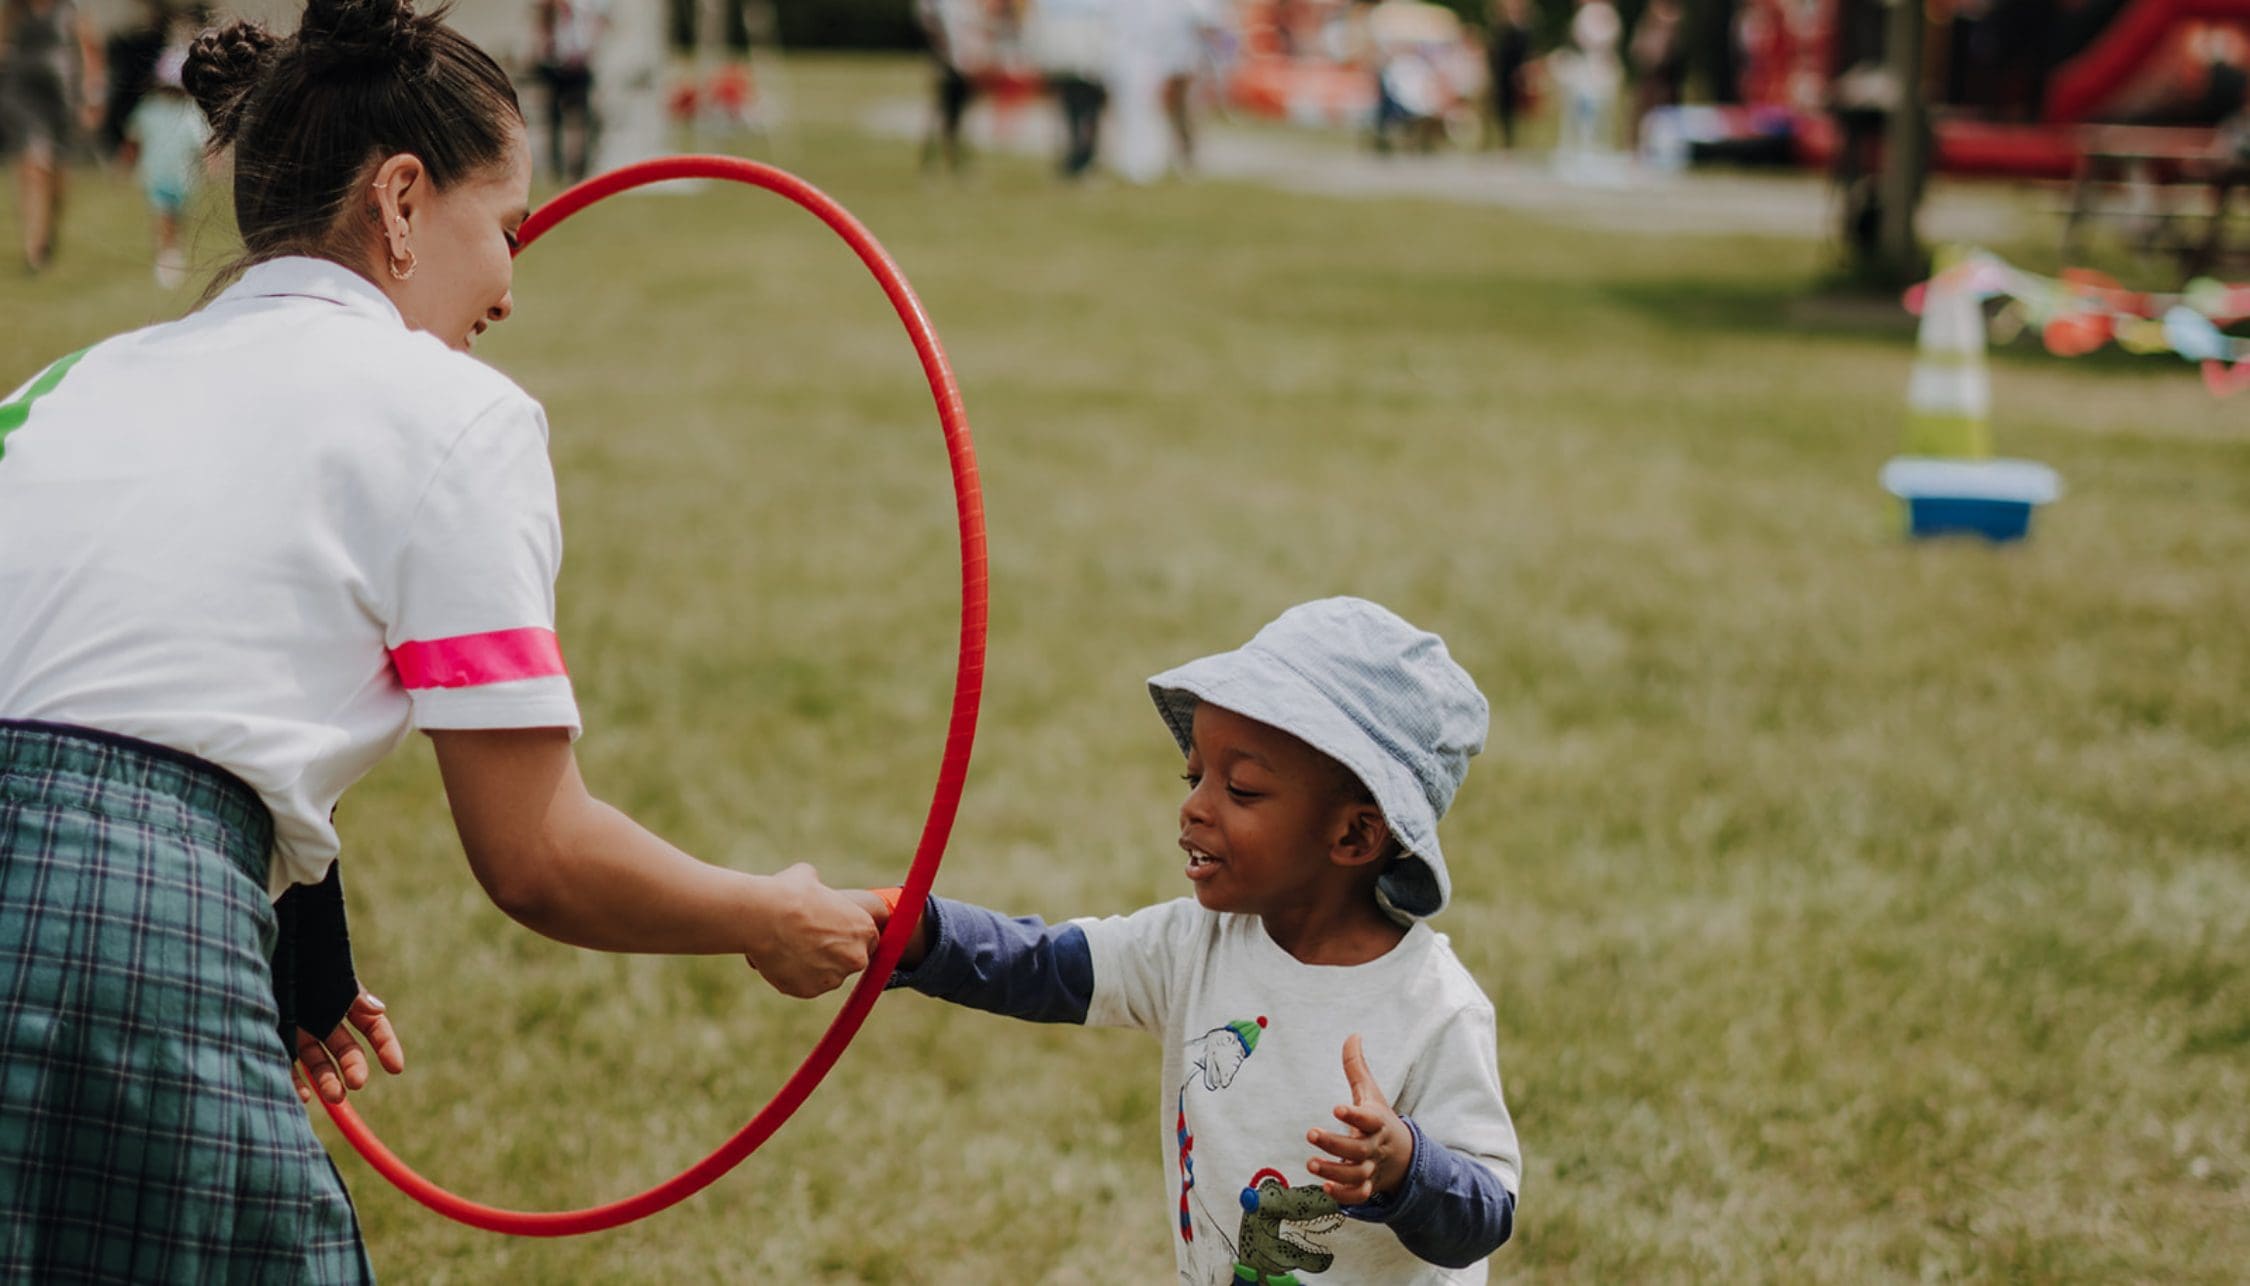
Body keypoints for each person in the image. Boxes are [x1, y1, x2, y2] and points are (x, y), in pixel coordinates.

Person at [0, 1, 879, 1279]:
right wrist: (763, 912)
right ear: (402, 201)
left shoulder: (66, 384)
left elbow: (123, 677)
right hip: (120, 940)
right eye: (507, 230)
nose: (510, 290)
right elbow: (536, 852)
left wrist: (290, 919)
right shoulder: (456, 415)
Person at [874, 598, 1520, 1283]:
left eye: (1240, 789)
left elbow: (1487, 1215)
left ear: (1354, 834)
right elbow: (1039, 966)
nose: (1193, 807)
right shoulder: (1194, 944)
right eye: (1194, 777)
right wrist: (903, 927)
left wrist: (1405, 1166)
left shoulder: (1434, 1008)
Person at [1, 0, 102, 273]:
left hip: (61, 95)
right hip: (22, 92)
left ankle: (49, 229)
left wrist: (92, 95)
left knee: (57, 175)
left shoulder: (70, 8)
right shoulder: (14, 8)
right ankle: (33, 246)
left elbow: (89, 49)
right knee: (33, 166)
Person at [120, 41, 204, 287]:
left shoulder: (190, 113)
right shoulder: (150, 110)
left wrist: (211, 164)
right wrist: (124, 163)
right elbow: (134, 139)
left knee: (176, 216)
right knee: (163, 215)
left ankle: (173, 250)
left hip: (183, 176)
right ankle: (165, 256)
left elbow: (200, 144)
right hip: (157, 173)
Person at [1026, 0, 1112, 179]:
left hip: (1085, 62)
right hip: (1071, 61)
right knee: (1076, 112)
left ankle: (1083, 158)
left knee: (1083, 113)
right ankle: (1077, 159)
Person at [530, 0, 607, 183]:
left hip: (579, 67)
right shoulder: (550, 9)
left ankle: (580, 167)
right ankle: (556, 167)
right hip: (555, 66)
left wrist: (587, 52)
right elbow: (540, 30)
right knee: (554, 120)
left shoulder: (585, 8)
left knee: (583, 118)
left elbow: (596, 28)